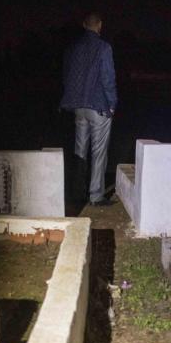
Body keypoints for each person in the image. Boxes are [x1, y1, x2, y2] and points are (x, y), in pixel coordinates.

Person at [60, 12, 118, 206]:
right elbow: (108, 78)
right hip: (98, 107)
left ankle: (78, 192)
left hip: (78, 107)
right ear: (99, 25)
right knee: (99, 152)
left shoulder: (73, 48)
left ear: (84, 25)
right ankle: (95, 195)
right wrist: (112, 103)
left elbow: (67, 75)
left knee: (80, 150)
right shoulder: (104, 48)